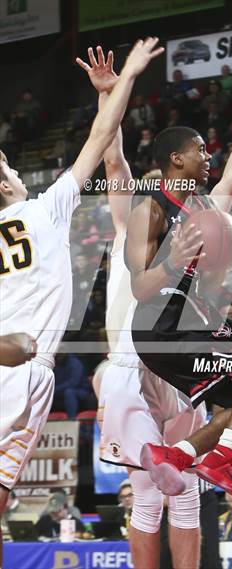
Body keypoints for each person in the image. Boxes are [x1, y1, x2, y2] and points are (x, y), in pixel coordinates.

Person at [0, 37, 164, 565]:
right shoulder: (43, 210)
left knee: (2, 490)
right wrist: (121, 83)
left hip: (31, 366)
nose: (18, 172)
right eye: (10, 169)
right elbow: (100, 142)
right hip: (19, 363)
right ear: (6, 185)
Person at [126, 71, 232, 505]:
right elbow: (140, 287)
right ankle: (224, 458)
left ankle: (174, 455)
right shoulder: (151, 209)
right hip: (160, 325)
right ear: (176, 159)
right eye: (200, 149)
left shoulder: (201, 206)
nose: (208, 155)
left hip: (186, 324)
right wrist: (174, 264)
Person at [78, 47, 205, 569]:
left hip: (175, 361)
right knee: (153, 497)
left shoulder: (195, 227)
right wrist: (109, 95)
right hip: (136, 361)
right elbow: (113, 159)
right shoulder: (132, 219)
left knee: (180, 493)